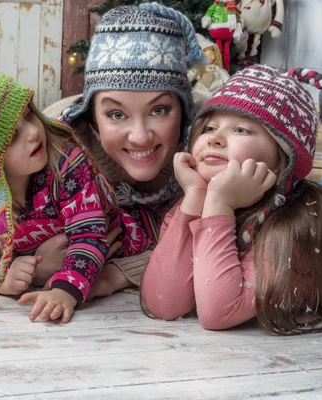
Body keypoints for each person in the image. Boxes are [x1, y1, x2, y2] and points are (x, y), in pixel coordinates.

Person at [0, 56, 156, 322]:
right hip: (59, 259)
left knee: (165, 236)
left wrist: (64, 289)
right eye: (11, 137)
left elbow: (88, 235)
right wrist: (1, 277)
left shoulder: (64, 162)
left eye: (27, 115)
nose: (33, 133)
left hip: (130, 240)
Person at [141, 64, 322, 334]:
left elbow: (219, 311)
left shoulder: (298, 226)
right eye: (208, 127)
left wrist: (220, 205)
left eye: (241, 130)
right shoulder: (196, 200)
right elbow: (165, 303)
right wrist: (196, 196)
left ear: (281, 161)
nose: (215, 139)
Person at [38, 2, 209, 297]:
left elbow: (245, 237)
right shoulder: (57, 138)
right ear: (91, 112)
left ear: (183, 107)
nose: (141, 137)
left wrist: (120, 273)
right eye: (116, 115)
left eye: (160, 110)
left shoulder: (210, 134)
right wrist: (33, 263)